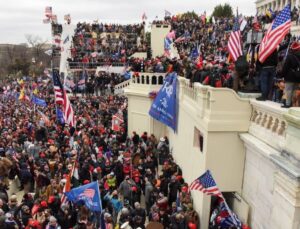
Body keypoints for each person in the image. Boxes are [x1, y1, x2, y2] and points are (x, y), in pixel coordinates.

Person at [281, 41, 300, 107]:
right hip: (298, 77)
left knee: (288, 90)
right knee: (295, 92)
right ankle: (293, 104)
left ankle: (288, 104)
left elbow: (285, 67)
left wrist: (282, 75)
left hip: (289, 77)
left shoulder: (290, 56)